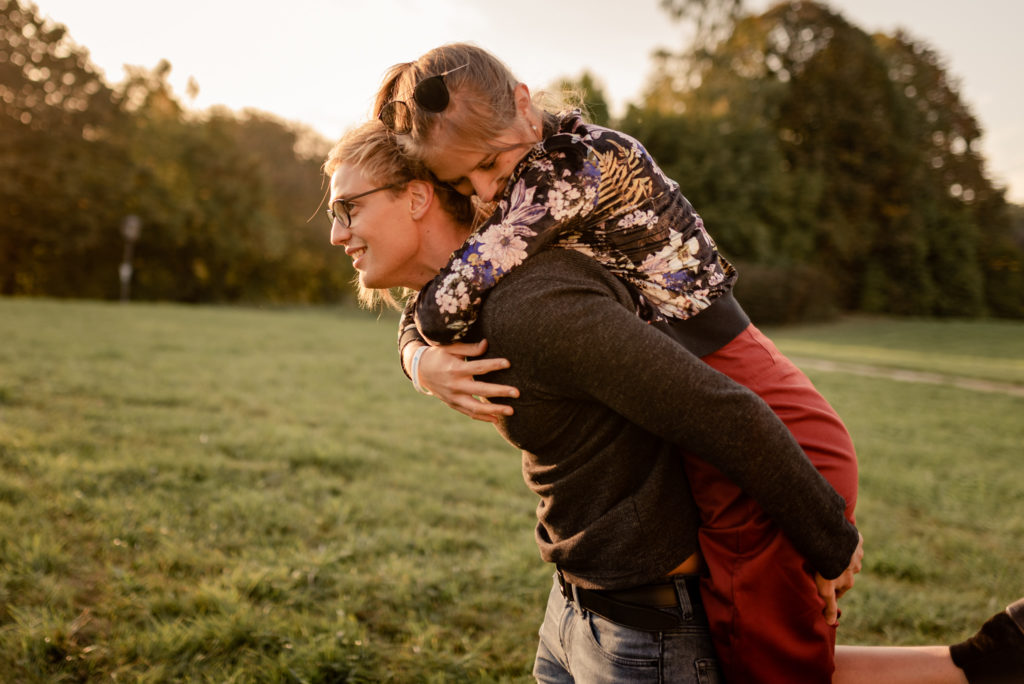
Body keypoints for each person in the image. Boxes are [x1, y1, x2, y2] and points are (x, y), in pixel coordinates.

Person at [322, 120, 1023, 683]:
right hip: (575, 610)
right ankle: (984, 662)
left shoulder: (536, 301)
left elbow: (723, 411)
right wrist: (416, 358)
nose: (336, 234)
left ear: (416, 196)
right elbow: (427, 312)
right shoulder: (468, 301)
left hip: (642, 635)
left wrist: (830, 540)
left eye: (348, 208)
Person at [373, 42, 859, 682]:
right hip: (723, 417)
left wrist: (830, 544)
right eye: (463, 184)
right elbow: (450, 286)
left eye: (489, 164)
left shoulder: (575, 168)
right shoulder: (534, 173)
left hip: (758, 417)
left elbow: (450, 297)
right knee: (764, 656)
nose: (488, 190)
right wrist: (415, 360)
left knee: (773, 667)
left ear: (524, 103)